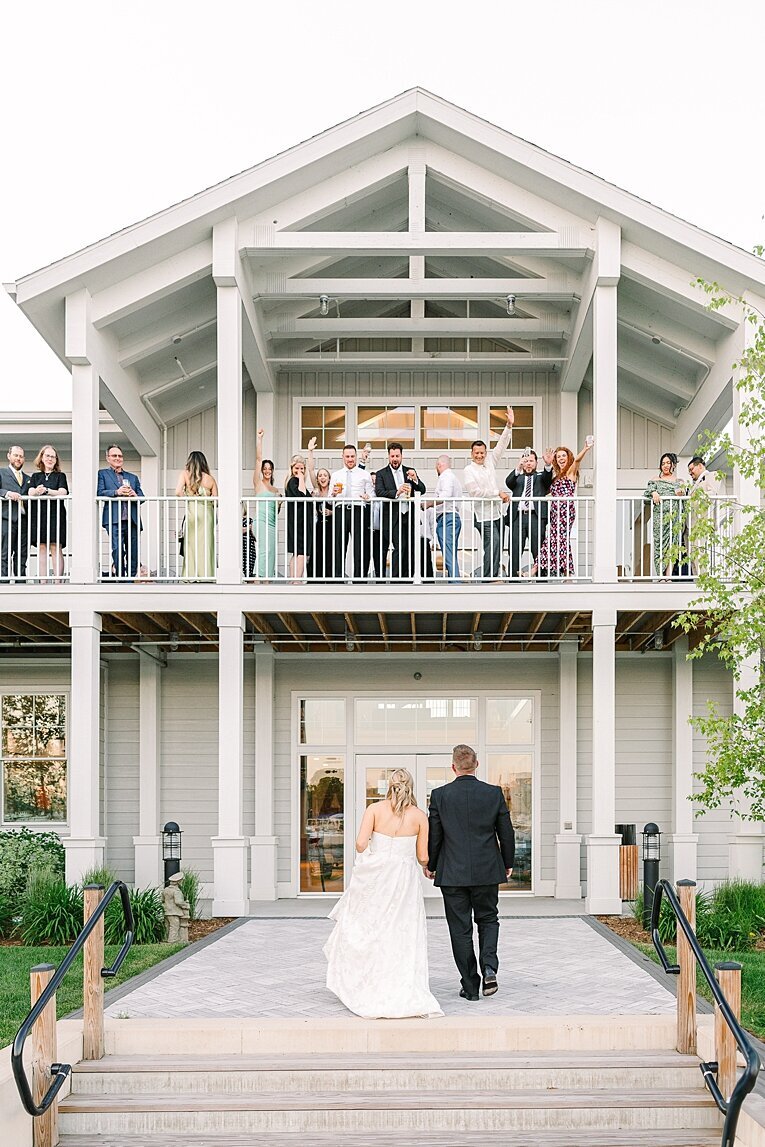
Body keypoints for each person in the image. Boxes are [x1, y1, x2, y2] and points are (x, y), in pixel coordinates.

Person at [324, 768, 443, 1019]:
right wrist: (424, 865)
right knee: (400, 930)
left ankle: (366, 981)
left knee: (370, 926)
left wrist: (376, 851)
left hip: (377, 875)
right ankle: (397, 983)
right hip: (402, 879)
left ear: (388, 786)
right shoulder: (420, 816)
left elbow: (360, 843)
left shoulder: (374, 810)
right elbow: (423, 857)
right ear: (411, 786)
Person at [426, 744, 515, 1001]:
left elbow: (435, 836)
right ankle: (489, 966)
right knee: (488, 919)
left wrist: (431, 865)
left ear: (453, 767)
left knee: (460, 928)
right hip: (487, 869)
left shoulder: (440, 795)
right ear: (476, 765)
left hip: (452, 872)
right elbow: (506, 833)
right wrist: (506, 862)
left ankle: (470, 985)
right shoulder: (493, 793)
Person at [462, 406, 514, 578]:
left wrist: (508, 426)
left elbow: (501, 445)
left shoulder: (490, 461)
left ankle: (493, 574)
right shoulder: (469, 470)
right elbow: (474, 492)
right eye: (476, 453)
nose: (479, 455)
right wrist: (497, 492)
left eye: (482, 452)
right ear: (472, 454)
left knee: (497, 545)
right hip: (482, 515)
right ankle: (488, 577)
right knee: (493, 544)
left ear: (485, 453)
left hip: (497, 513)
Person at [535, 438, 593, 579]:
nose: (561, 458)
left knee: (555, 539)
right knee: (557, 540)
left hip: (565, 510)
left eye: (563, 456)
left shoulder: (570, 473)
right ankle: (566, 573)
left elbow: (577, 461)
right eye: (558, 456)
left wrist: (585, 449)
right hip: (555, 511)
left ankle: (535, 569)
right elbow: (547, 491)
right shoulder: (556, 477)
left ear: (568, 458)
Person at [374, 443, 427, 580]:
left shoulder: (409, 471)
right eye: (392, 456)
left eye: (397, 456)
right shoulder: (381, 474)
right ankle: (397, 579)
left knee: (410, 547)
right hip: (393, 516)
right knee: (399, 547)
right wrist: (396, 492)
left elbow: (422, 489)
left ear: (402, 456)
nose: (395, 459)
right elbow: (379, 491)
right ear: (388, 456)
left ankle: (409, 577)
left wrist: (415, 479)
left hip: (409, 515)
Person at [505, 447, 554, 578]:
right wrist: (518, 467)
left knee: (538, 549)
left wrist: (548, 465)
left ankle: (541, 579)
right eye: (526, 461)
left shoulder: (540, 477)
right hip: (518, 517)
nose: (528, 463)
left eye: (531, 461)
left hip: (535, 517)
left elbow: (548, 479)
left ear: (536, 463)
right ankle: (513, 579)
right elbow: (508, 482)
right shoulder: (518, 478)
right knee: (514, 549)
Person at [97, 445, 144, 579]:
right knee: (117, 549)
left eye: (120, 456)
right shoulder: (103, 474)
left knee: (133, 551)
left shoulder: (132, 477)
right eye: (114, 456)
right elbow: (100, 492)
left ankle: (131, 578)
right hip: (113, 518)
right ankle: (120, 576)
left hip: (132, 519)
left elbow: (142, 498)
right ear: (108, 458)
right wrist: (116, 492)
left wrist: (135, 495)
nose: (118, 458)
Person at [329, 444, 374, 580]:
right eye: (347, 456)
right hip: (340, 510)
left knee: (359, 545)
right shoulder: (336, 475)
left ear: (356, 457)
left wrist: (368, 498)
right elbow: (330, 500)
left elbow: (372, 495)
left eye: (352, 456)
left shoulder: (364, 474)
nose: (350, 459)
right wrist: (334, 495)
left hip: (358, 510)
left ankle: (359, 578)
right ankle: (338, 578)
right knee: (338, 545)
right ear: (342, 457)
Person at [29, 445, 69, 582]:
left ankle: (57, 581)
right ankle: (43, 581)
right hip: (39, 515)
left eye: (53, 456)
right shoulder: (35, 476)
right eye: (47, 456)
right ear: (42, 458)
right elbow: (29, 492)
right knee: (41, 547)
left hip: (55, 514)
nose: (50, 459)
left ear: (56, 459)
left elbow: (63, 492)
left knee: (55, 546)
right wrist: (36, 491)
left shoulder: (60, 476)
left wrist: (47, 491)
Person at [175, 451, 217, 581]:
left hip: (192, 512)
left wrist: (189, 499)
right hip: (207, 514)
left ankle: (190, 575)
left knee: (191, 544)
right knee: (206, 545)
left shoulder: (185, 474)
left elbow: (177, 492)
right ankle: (206, 575)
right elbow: (216, 500)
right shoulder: (210, 479)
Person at [643, 452, 684, 580]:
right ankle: (660, 575)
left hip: (673, 517)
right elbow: (647, 493)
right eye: (663, 463)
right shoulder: (655, 479)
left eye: (668, 463)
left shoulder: (678, 481)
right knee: (659, 544)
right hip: (659, 516)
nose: (665, 466)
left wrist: (680, 492)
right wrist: (654, 492)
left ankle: (668, 576)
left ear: (673, 465)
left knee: (672, 544)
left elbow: (681, 495)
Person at [0, 445, 35, 580]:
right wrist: (7, 493)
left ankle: (21, 580)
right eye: (16, 455)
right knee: (5, 552)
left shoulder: (28, 478)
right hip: (7, 518)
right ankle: (4, 582)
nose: (18, 459)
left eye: (21, 456)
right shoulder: (2, 473)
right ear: (9, 456)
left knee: (22, 553)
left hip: (24, 520)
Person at [426, 454, 463, 581]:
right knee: (450, 552)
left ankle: (455, 582)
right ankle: (454, 580)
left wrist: (428, 503)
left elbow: (445, 495)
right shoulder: (453, 478)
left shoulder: (445, 476)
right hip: (451, 517)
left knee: (448, 553)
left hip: (447, 518)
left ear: (439, 465)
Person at [252, 429, 280, 578]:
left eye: (270, 469)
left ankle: (268, 580)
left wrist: (280, 503)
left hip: (272, 523)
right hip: (261, 521)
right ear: (262, 470)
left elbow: (276, 512)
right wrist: (259, 439)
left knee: (271, 550)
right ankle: (258, 579)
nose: (267, 471)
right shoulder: (258, 483)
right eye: (265, 469)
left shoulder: (275, 489)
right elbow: (258, 459)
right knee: (263, 549)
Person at [307, 440, 334, 580]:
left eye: (325, 475)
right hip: (318, 527)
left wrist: (332, 512)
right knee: (316, 551)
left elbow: (339, 509)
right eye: (320, 475)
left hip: (331, 527)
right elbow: (311, 470)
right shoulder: (316, 490)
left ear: (329, 479)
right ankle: (314, 579)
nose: (322, 477)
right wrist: (310, 451)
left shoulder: (333, 491)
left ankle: (329, 579)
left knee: (330, 552)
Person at [285, 454, 312, 581]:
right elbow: (301, 495)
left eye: (302, 469)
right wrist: (301, 478)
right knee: (301, 552)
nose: (299, 471)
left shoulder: (295, 482)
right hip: (299, 522)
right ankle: (296, 580)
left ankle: (294, 579)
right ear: (292, 468)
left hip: (300, 521)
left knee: (297, 552)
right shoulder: (293, 481)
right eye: (297, 468)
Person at [242, 504, 256, 577]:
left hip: (249, 544)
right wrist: (247, 528)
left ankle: (249, 575)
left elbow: (254, 532)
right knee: (241, 560)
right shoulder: (235, 520)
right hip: (240, 544)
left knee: (249, 561)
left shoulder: (249, 520)